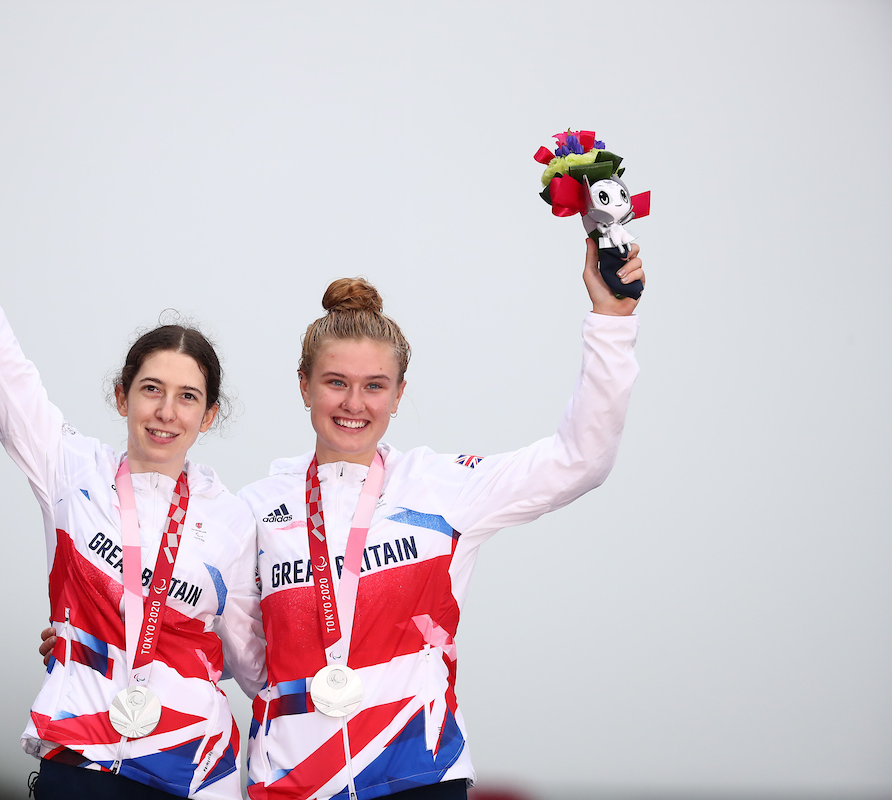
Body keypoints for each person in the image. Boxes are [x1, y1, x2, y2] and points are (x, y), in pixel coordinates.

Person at [41, 243, 644, 799]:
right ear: (303, 386)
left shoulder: (446, 489)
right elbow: (219, 639)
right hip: (293, 783)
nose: (354, 404)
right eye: (336, 383)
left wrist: (611, 322)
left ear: (399, 393)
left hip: (417, 774)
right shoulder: (252, 510)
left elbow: (581, 459)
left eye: (374, 386)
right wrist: (99, 645)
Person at [0, 151, 265, 800]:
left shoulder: (232, 523)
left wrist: (133, 641)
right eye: (151, 389)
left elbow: (250, 662)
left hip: (194, 776)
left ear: (208, 417)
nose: (166, 411)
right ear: (121, 397)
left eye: (186, 397)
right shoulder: (69, 468)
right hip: (81, 764)